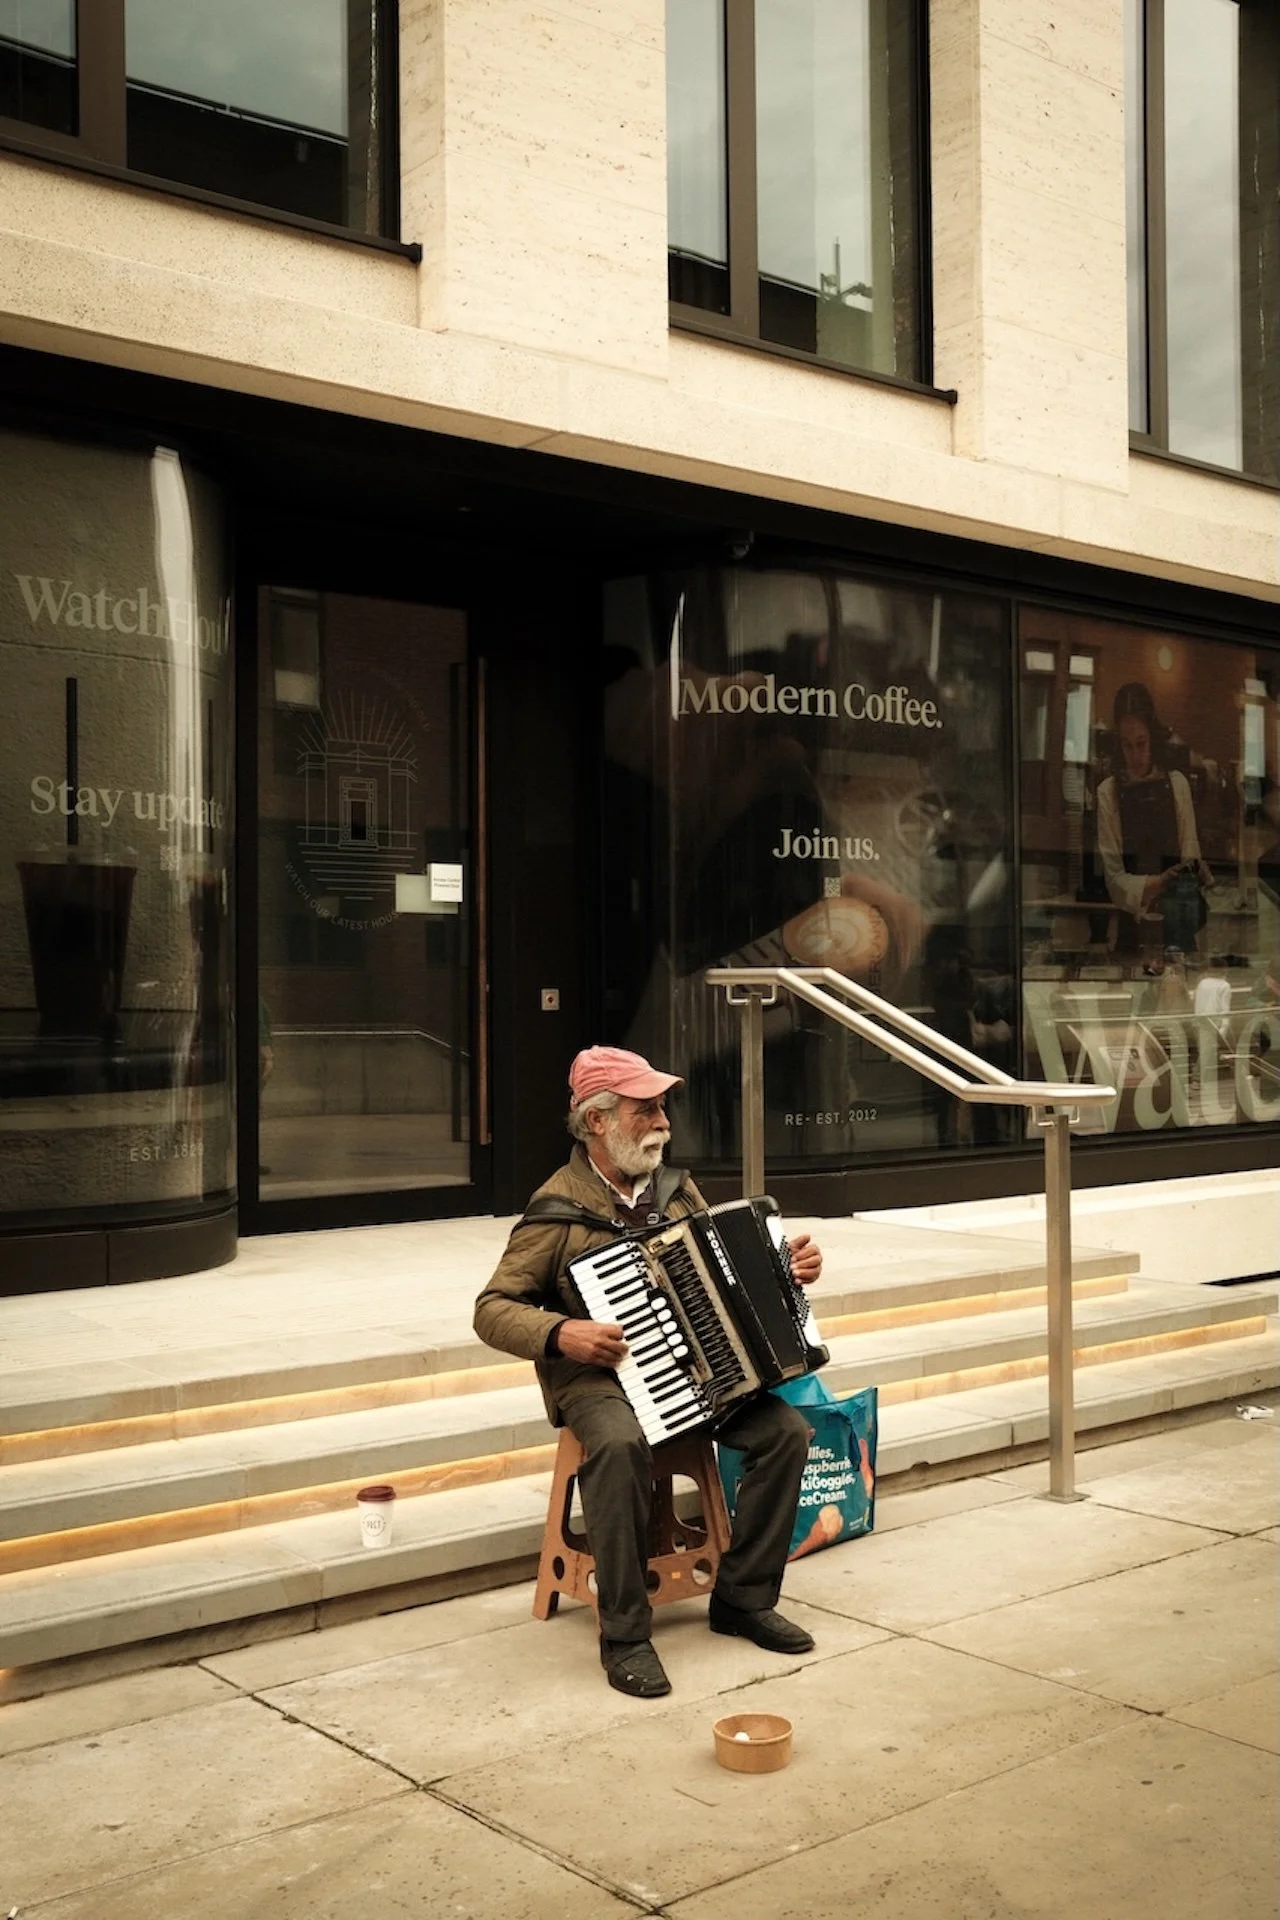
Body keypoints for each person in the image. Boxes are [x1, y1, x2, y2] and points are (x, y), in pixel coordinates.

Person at [474, 1044, 824, 1700]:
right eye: (646, 1109)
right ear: (598, 1121)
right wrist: (562, 1332)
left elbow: (721, 1268)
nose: (662, 1120)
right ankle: (626, 1635)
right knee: (617, 1444)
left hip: (694, 1364)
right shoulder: (555, 1210)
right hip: (598, 1374)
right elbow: (491, 1310)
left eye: (662, 1106)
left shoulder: (673, 1188)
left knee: (787, 1434)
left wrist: (788, 1267)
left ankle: (742, 1599)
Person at [1095, 683, 1212, 965]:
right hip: (1131, 934)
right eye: (1127, 744)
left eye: (1141, 743)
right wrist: (1158, 882)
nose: (1135, 754)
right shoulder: (1107, 792)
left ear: (1153, 738)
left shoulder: (1177, 784)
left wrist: (1194, 872)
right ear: (1117, 743)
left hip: (1178, 931)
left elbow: (1190, 855)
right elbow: (1114, 879)